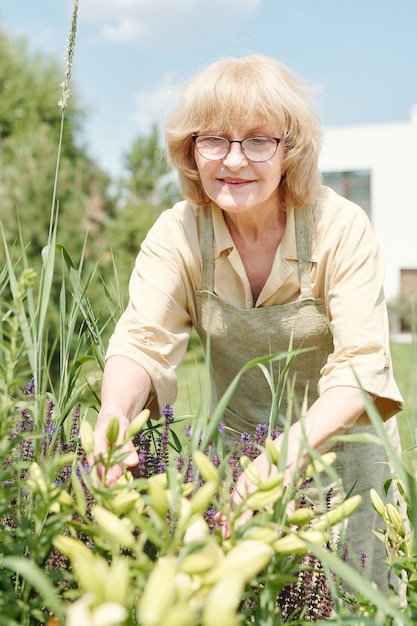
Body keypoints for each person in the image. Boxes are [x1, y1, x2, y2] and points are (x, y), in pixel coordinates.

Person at [93, 54, 404, 592]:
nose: (234, 159)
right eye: (214, 139)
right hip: (236, 466)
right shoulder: (178, 233)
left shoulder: (339, 227)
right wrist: (114, 418)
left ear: (291, 150)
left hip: (346, 469)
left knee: (353, 604)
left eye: (258, 140)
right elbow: (142, 339)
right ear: (190, 151)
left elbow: (361, 365)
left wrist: (284, 455)